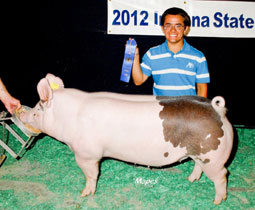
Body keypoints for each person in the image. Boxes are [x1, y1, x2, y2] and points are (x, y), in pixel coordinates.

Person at [131, 7, 210, 97]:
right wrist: (135, 56)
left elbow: (202, 89)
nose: (173, 30)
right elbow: (138, 81)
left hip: (187, 109)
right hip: (160, 109)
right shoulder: (152, 54)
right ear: (163, 28)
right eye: (168, 26)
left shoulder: (198, 57)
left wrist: (198, 111)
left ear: (186, 29)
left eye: (178, 26)